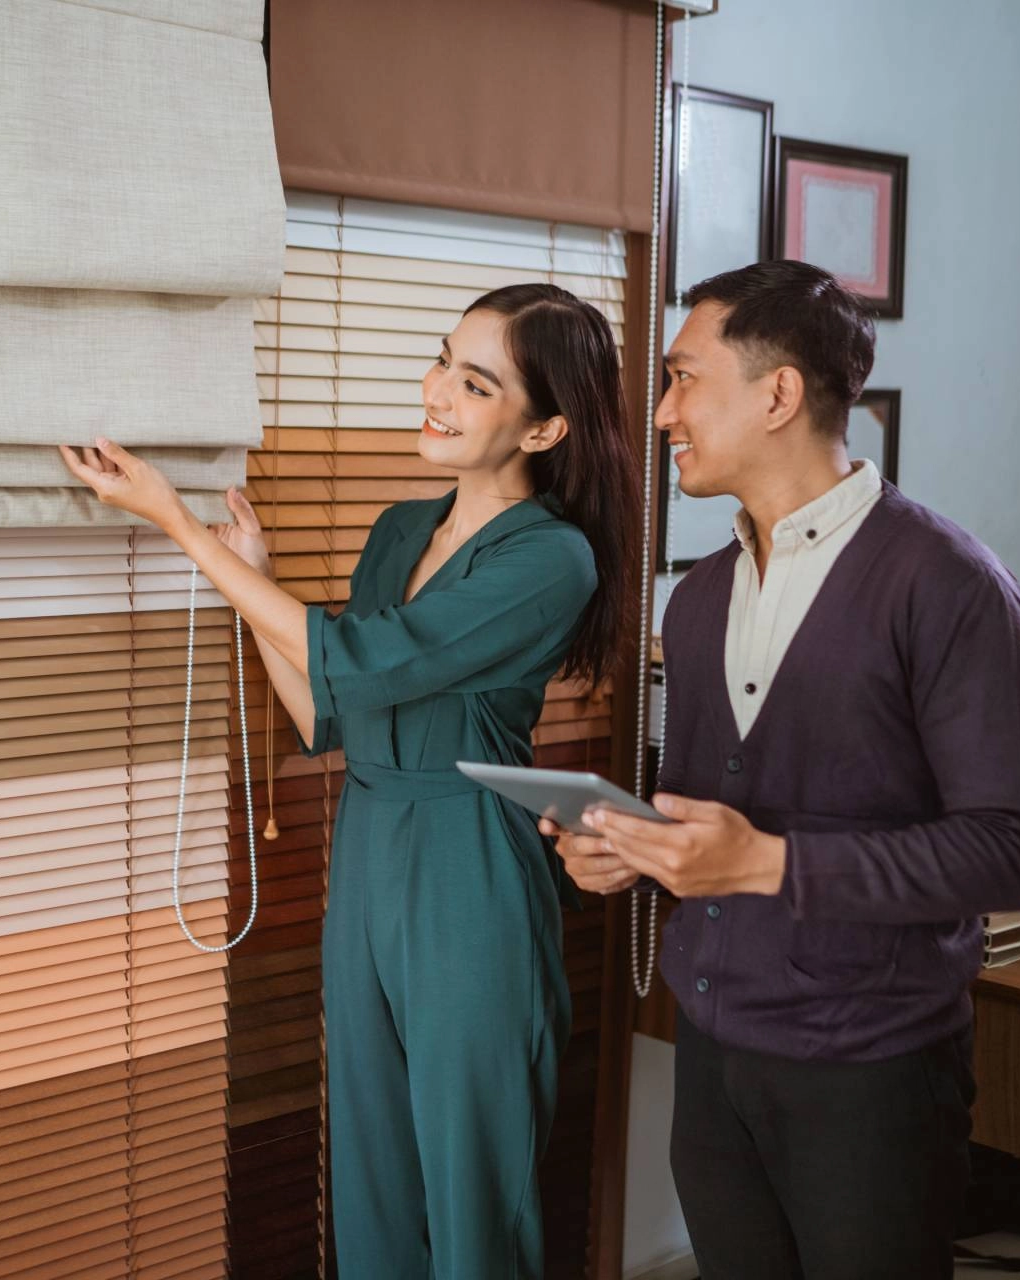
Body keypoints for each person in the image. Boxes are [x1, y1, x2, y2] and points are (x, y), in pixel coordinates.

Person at [61, 283, 640, 1277]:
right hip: (368, 847)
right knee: (371, 1174)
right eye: (440, 360)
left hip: (471, 868)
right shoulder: (396, 531)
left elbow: (373, 655)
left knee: (472, 1191)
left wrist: (179, 525)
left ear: (544, 426)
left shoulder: (553, 560)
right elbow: (327, 711)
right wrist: (255, 577)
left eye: (475, 381)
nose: (436, 391)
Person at [546, 260, 1020, 1280]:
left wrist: (773, 863)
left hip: (872, 1071)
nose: (660, 412)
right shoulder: (695, 603)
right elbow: (715, 815)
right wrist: (632, 850)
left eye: (685, 377)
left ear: (778, 394)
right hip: (716, 1054)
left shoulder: (948, 586)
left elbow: (1014, 849)